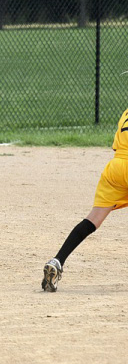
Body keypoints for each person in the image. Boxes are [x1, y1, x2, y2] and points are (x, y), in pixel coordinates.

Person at [42, 107, 128, 292]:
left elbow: (117, 146)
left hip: (115, 168)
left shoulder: (126, 113)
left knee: (93, 219)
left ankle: (57, 261)